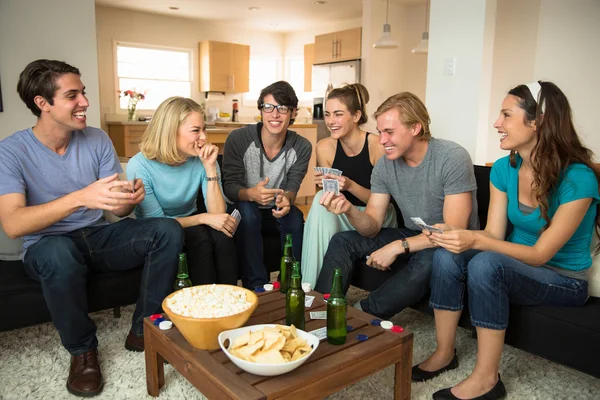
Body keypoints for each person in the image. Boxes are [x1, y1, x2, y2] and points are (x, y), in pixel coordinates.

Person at [0, 60, 183, 397]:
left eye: (82, 93)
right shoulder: (11, 151)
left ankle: (145, 329)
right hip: (46, 245)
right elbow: (13, 224)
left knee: (167, 230)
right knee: (58, 252)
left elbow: (116, 211)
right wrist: (80, 197)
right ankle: (83, 350)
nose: (84, 101)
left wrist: (129, 199)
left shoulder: (97, 140)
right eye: (73, 95)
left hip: (97, 236)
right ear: (43, 103)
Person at [414, 81, 600, 400]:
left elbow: (541, 254)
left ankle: (487, 379)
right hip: (515, 265)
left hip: (564, 280)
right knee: (447, 255)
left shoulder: (578, 178)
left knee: (486, 263)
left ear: (538, 121)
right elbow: (493, 235)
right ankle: (444, 352)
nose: (496, 123)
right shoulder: (504, 168)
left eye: (506, 115)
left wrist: (475, 240)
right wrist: (455, 235)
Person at [314, 92, 479, 319]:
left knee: (430, 259)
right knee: (343, 241)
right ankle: (321, 313)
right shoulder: (385, 165)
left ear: (415, 128)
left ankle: (362, 315)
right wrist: (349, 210)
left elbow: (451, 231)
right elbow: (371, 226)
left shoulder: (452, 157)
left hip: (454, 244)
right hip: (415, 233)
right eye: (380, 132)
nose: (382, 140)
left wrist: (397, 246)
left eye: (389, 132)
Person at [127, 97, 238, 285]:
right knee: (199, 240)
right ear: (170, 133)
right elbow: (159, 223)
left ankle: (227, 302)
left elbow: (218, 215)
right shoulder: (139, 165)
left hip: (190, 218)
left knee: (223, 237)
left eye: (204, 129)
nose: (203, 137)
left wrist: (211, 168)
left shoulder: (202, 158)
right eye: (196, 131)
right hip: (156, 229)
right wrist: (202, 218)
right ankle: (202, 305)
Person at [301, 83, 397, 286]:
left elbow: (384, 201)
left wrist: (350, 185)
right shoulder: (324, 148)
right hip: (343, 212)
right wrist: (326, 188)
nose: (330, 121)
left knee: (322, 204)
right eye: (327, 114)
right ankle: (311, 290)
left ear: (355, 116)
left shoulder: (376, 146)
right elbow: (331, 200)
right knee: (320, 199)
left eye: (338, 114)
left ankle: (310, 290)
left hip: (377, 215)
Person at [222, 81, 312, 289]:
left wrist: (287, 199)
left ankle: (290, 282)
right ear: (261, 110)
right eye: (268, 107)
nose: (275, 114)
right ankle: (257, 285)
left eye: (282, 108)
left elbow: (293, 184)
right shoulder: (238, 139)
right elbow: (230, 187)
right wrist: (251, 194)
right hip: (241, 206)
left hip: (274, 210)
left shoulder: (302, 146)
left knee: (295, 216)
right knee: (247, 210)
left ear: (293, 113)